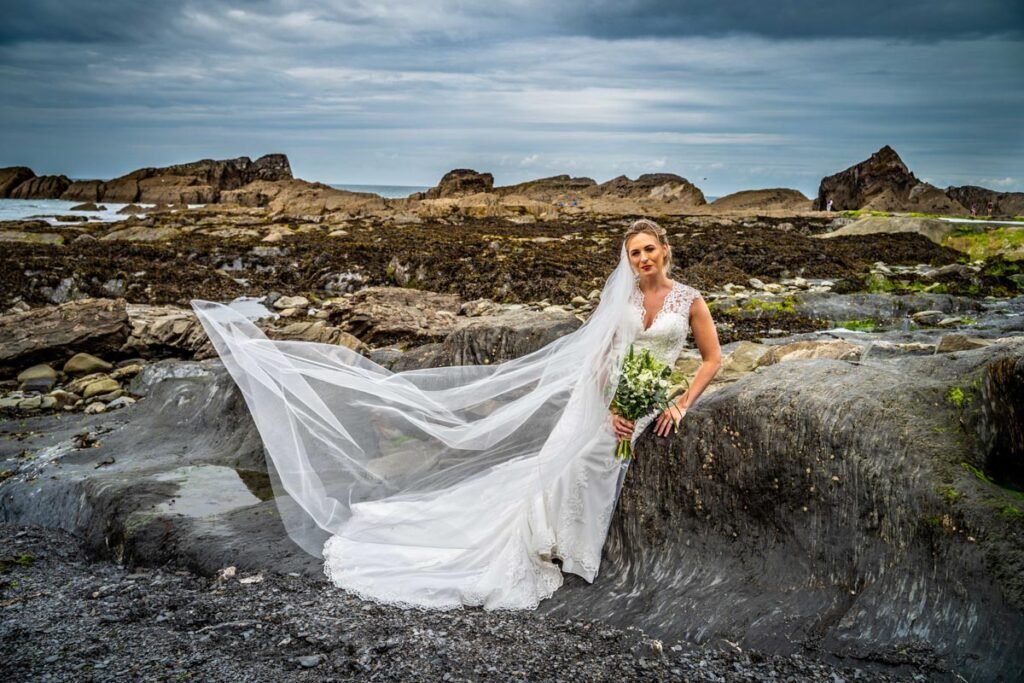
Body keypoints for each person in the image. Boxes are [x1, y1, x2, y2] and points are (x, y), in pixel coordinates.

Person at [191, 218, 721, 610]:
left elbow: (712, 360)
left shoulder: (689, 300)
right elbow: (603, 357)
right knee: (574, 458)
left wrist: (677, 401)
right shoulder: (621, 298)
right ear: (626, 259)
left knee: (588, 463)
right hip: (610, 397)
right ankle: (548, 542)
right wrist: (610, 407)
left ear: (665, 251)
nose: (642, 259)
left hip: (652, 396)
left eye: (649, 250)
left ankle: (572, 546)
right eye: (633, 253)